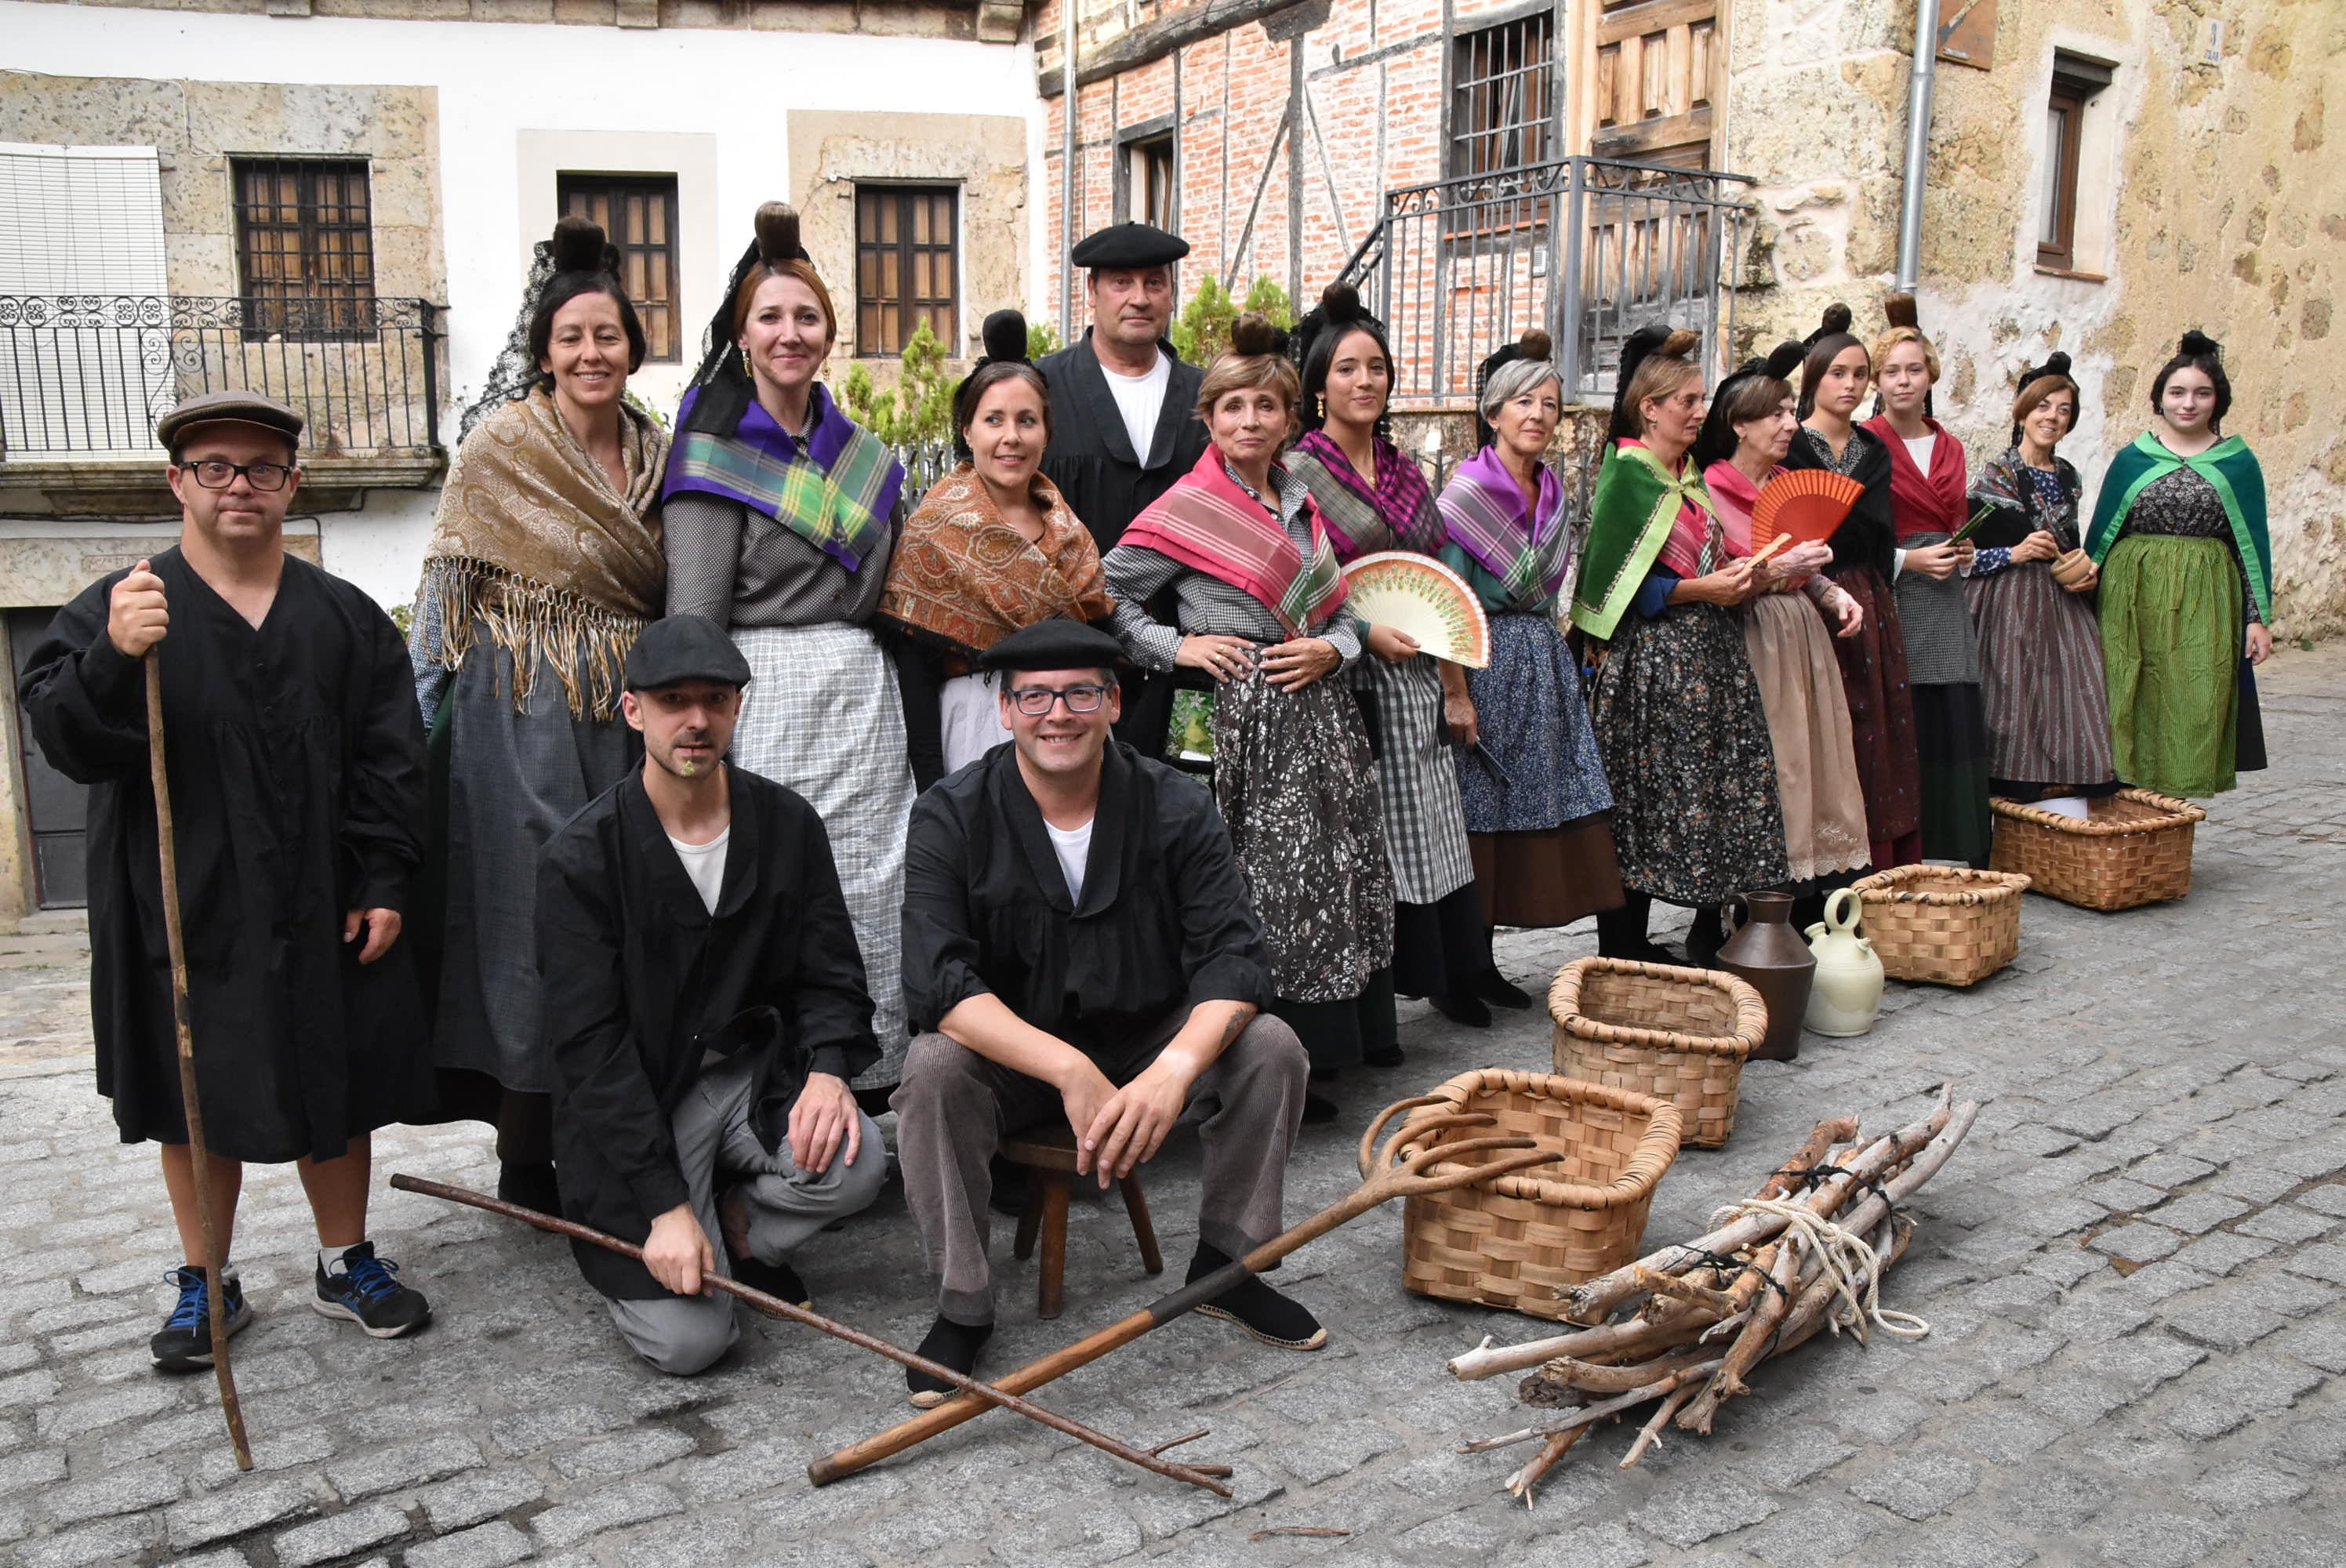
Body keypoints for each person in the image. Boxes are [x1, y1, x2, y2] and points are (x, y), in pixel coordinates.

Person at [18, 390, 434, 1371]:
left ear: (293, 483)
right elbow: (66, 740)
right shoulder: (122, 605)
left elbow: (392, 755)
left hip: (321, 896)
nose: (238, 484)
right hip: (182, 901)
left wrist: (383, 874)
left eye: (260, 467)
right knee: (193, 1083)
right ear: (178, 481)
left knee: (330, 1073)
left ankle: (345, 1259)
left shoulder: (343, 618)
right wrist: (115, 657)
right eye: (215, 467)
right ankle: (208, 1276)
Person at [893, 619, 1317, 1403]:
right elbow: (938, 981)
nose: (1058, 713)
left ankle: (1228, 1264)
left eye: (1080, 692)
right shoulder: (952, 812)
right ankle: (963, 1302)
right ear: (1005, 710)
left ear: (1114, 702)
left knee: (1271, 1045)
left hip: (1151, 1035)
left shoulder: (1178, 803)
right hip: (1019, 1056)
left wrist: (1174, 1070)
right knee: (931, 1068)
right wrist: (1065, 1067)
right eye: (1036, 696)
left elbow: (1234, 956)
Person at [537, 615, 888, 1375]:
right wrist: (664, 1209)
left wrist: (828, 1069)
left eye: (715, 699)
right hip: (638, 1103)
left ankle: (739, 1224)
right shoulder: (579, 860)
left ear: (737, 706)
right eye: (672, 700)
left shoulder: (787, 824)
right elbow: (590, 1051)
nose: (695, 719)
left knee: (860, 1158)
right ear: (633, 710)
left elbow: (832, 972)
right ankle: (679, 1223)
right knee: (691, 1343)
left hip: (745, 1080)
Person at [409, 216, 669, 1217]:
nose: (591, 353)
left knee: (620, 920)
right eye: (572, 338)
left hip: (624, 711)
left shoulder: (656, 454)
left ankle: (615, 1128)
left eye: (607, 336)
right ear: (546, 351)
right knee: (527, 928)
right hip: (518, 712)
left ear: (631, 347)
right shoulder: (500, 446)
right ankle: (527, 1147)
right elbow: (444, 597)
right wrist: (408, 730)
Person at [1102, 314, 1393, 1118]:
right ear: (1208, 418)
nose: (1248, 422)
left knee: (1320, 877)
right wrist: (1178, 647)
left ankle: (1312, 1052)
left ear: (1288, 418)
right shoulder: (1187, 506)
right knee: (1249, 882)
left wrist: (1337, 652)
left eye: (1265, 407)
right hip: (1234, 719)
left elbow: (1339, 614)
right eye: (1231, 407)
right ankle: (1237, 1059)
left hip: (1319, 714)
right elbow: (1107, 592)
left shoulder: (1301, 498)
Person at [662, 202, 914, 1104]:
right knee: (776, 882)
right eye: (769, 316)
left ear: (828, 331)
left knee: (870, 874)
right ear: (742, 333)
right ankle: (777, 1085)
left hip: (859, 688)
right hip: (764, 691)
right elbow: (694, 616)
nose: (789, 333)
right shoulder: (711, 453)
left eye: (806, 316)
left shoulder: (862, 454)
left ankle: (866, 1069)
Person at [1283, 283, 1506, 1033]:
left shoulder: (1406, 469)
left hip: (1416, 677)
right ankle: (1373, 1012)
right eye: (1347, 368)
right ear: (1319, 387)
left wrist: (1456, 688)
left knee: (1437, 825)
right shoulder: (1297, 475)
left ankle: (1449, 972)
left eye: (1376, 366)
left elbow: (1438, 584)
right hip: (1342, 675)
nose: (1365, 381)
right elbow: (1295, 584)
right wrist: (1360, 632)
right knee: (1368, 838)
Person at [1575, 328, 1789, 964]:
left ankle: (1706, 926)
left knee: (1705, 796)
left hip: (1711, 660)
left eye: (1700, 400)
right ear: (1650, 408)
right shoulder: (1629, 478)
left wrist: (1748, 574)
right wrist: (1703, 590)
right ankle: (1622, 947)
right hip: (1653, 666)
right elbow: (1622, 590)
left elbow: (1705, 560)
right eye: (1688, 401)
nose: (1701, 412)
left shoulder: (1689, 477)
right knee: (1641, 802)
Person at [1437, 330, 1625, 955]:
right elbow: (1447, 603)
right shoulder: (1464, 496)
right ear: (1494, 414)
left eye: (1549, 404)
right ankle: (1469, 961)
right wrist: (1456, 694)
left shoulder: (1553, 493)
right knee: (1481, 807)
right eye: (1523, 402)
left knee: (1538, 800)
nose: (1538, 415)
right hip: (1485, 660)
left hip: (1541, 661)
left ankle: (1493, 954)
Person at [877, 308, 1116, 789]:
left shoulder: (1071, 533)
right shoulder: (934, 531)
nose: (1012, 436)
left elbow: (1102, 640)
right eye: (994, 420)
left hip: (1071, 718)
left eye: (1027, 420)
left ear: (1046, 433)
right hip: (973, 724)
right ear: (968, 433)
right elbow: (916, 674)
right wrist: (929, 783)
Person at [1695, 343, 1872, 913]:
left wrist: (1830, 590)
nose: (1789, 425)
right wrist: (1778, 570)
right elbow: (1716, 574)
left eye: (1791, 412)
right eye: (1777, 414)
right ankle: (1751, 905)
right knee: (1775, 763)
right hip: (1751, 637)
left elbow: (1807, 562)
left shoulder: (1787, 480)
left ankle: (1811, 897)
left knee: (1817, 759)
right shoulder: (1709, 489)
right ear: (1741, 424)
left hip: (1803, 637)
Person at [1035, 222, 1212, 750]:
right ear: (1091, 292)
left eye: (1155, 282)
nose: (1139, 298)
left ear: (1172, 292)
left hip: (1190, 662)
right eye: (1121, 282)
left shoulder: (1211, 400)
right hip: (1072, 663)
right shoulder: (1041, 392)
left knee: (1185, 807)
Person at [2086, 330, 2274, 797]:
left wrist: (2257, 619)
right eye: (2177, 392)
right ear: (2160, 398)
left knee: (2194, 697)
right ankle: (2124, 807)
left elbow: (2249, 544)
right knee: (2126, 689)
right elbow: (2103, 536)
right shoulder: (2133, 458)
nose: (2188, 403)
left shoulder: (2238, 462)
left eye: (2201, 393)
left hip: (2205, 596)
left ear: (2218, 401)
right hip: (2131, 594)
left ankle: (2172, 814)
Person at [1781, 305, 1923, 870]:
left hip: (1869, 593)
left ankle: (1878, 860)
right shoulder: (1791, 445)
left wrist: (1843, 519)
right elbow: (1797, 527)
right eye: (1838, 372)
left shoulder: (1875, 450)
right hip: (1807, 591)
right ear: (1814, 379)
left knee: (1876, 724)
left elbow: (1877, 530)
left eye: (1860, 374)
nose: (1851, 384)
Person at [1861, 295, 1992, 865]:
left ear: (1930, 374)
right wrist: (1907, 561)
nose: (1904, 380)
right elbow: (1856, 536)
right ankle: (1904, 843)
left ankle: (1957, 839)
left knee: (1949, 716)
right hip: (1896, 591)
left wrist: (1962, 547)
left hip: (1946, 595)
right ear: (1878, 380)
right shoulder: (1865, 443)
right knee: (1903, 713)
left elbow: (1956, 517)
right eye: (1892, 371)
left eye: (1913, 369)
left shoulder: (1951, 445)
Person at [1963, 352, 2117, 800]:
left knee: (2075, 693)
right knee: (2014, 696)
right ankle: (2015, 799)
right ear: (2024, 411)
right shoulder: (1998, 472)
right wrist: (2015, 551)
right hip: (2007, 600)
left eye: (2063, 409)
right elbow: (1966, 555)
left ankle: (2067, 802)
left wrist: (2085, 571)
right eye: (2043, 406)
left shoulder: (2068, 476)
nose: (2052, 417)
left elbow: (2069, 538)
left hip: (2061, 600)